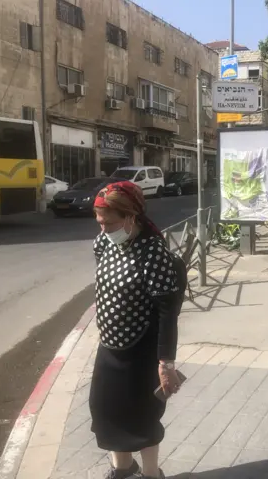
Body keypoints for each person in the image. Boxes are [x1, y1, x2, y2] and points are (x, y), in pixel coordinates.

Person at [89, 181, 184, 479]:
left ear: (131, 217)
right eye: (99, 221)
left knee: (142, 417)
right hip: (110, 347)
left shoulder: (152, 252)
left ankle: (151, 474)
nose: (103, 229)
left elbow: (168, 313)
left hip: (141, 350)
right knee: (106, 411)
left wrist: (165, 363)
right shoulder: (104, 242)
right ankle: (123, 469)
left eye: (110, 222)